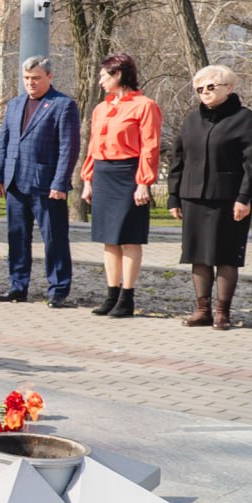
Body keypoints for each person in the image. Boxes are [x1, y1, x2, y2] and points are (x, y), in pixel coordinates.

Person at [167, 65, 252, 331]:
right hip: (194, 198)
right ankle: (203, 310)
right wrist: (174, 196)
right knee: (198, 255)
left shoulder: (244, 119)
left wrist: (245, 197)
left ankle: (222, 312)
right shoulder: (191, 120)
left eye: (211, 87)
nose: (205, 93)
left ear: (229, 88)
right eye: (200, 89)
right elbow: (178, 159)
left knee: (225, 256)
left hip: (229, 199)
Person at [0, 56, 81, 307]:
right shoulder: (15, 104)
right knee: (17, 237)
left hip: (46, 185)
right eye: (27, 78)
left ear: (49, 77)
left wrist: (60, 183)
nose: (31, 83)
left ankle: (58, 289)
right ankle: (18, 286)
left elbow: (68, 148)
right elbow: (3, 143)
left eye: (36, 78)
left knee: (54, 238)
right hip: (15, 183)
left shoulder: (63, 105)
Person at [80, 52, 162, 318]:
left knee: (128, 238)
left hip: (128, 173)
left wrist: (143, 182)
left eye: (104, 76)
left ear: (118, 75)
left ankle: (127, 297)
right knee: (109, 239)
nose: (100, 81)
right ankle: (111, 294)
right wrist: (88, 179)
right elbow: (92, 146)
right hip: (103, 173)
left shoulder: (145, 105)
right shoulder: (100, 108)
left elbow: (150, 147)